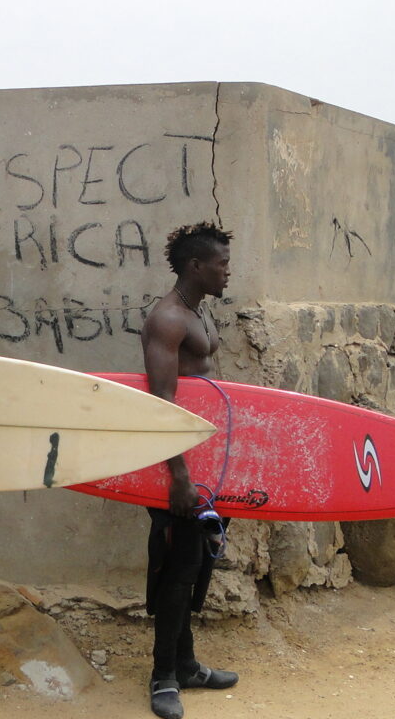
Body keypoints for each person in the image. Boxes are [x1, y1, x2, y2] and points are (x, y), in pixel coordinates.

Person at [141, 221, 239, 719]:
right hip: (175, 465)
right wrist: (177, 474)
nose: (228, 270)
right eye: (221, 263)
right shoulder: (167, 319)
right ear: (196, 266)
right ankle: (164, 676)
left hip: (204, 461)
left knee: (199, 564)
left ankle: (188, 664)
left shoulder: (196, 313)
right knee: (176, 570)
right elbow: (163, 401)